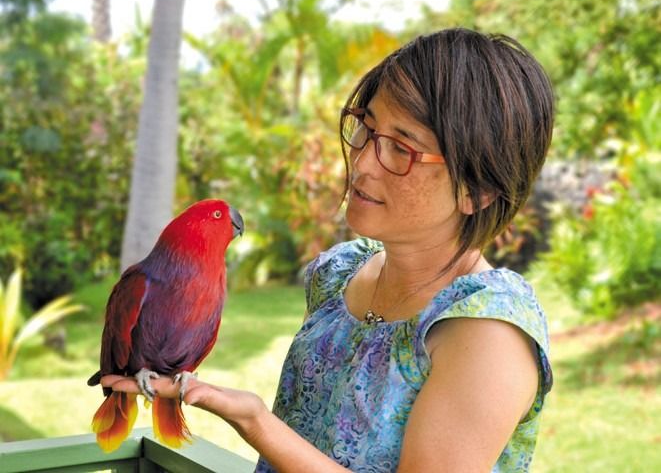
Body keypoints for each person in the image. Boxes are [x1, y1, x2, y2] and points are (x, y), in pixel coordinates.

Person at [103, 27, 554, 472]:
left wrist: (256, 422)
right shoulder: (338, 276)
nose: (361, 163)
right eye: (366, 127)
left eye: (400, 148)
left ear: (477, 191)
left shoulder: (489, 333)